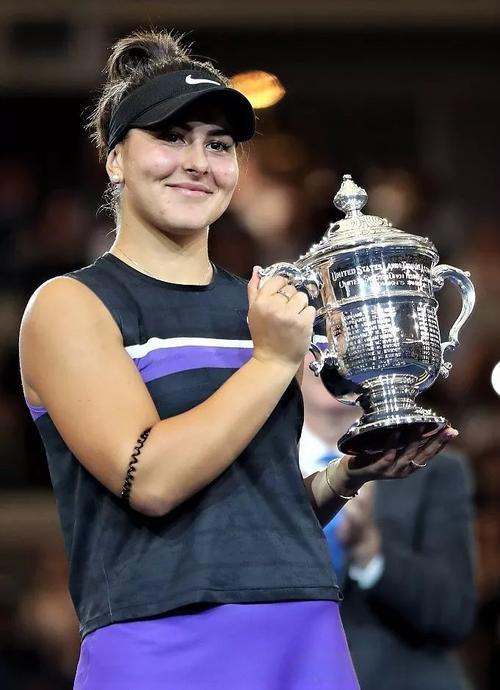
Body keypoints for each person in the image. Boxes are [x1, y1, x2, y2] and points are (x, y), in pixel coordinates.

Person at [18, 28, 457, 690]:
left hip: (304, 629)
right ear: (114, 160)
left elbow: (248, 515)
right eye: (171, 137)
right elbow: (152, 481)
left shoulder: (257, 306)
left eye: (218, 144)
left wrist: (345, 476)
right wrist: (272, 363)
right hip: (163, 641)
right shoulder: (71, 305)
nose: (197, 161)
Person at [299, 353, 476, 690]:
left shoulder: (432, 468)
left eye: (337, 338)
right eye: (314, 341)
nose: (328, 355)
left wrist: (370, 550)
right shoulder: (259, 470)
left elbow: (453, 614)